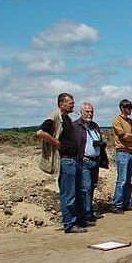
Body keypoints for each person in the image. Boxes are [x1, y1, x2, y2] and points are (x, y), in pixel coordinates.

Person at [36, 93, 85, 233]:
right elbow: (40, 133)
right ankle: (69, 224)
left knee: (75, 193)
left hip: (73, 160)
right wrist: (56, 142)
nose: (73, 105)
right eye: (70, 103)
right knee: (68, 194)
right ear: (61, 103)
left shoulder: (67, 118)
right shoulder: (54, 117)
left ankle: (75, 220)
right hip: (65, 160)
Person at [73, 102, 105, 223]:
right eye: (87, 111)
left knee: (92, 187)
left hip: (95, 160)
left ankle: (89, 210)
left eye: (91, 111)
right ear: (81, 112)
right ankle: (85, 214)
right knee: (85, 188)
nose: (90, 114)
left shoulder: (94, 126)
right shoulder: (76, 126)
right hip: (84, 161)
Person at [111, 99, 132, 214]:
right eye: (128, 108)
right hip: (122, 152)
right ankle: (117, 204)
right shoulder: (117, 120)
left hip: (131, 152)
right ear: (123, 108)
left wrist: (131, 135)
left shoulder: (130, 121)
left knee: (129, 180)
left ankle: (126, 203)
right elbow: (123, 136)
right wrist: (131, 135)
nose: (130, 110)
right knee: (121, 179)